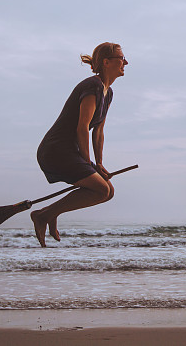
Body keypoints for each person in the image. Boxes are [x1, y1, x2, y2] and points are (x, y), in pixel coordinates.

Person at [30, 42, 128, 247]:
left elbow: (98, 131)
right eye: (121, 58)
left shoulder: (107, 93)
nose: (125, 62)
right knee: (101, 190)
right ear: (106, 62)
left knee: (108, 192)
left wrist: (99, 164)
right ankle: (44, 215)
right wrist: (87, 162)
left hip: (70, 151)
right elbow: (82, 127)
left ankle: (48, 213)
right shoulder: (92, 85)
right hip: (56, 150)